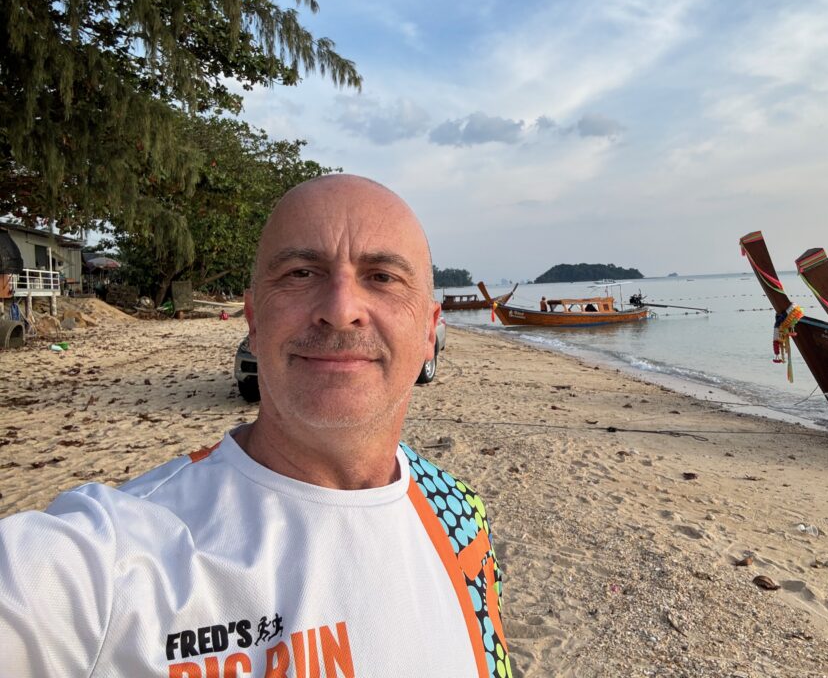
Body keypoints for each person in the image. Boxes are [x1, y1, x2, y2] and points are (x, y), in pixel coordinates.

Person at [0, 175, 512, 678]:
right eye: (300, 274)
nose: (340, 310)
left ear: (429, 330)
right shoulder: (118, 556)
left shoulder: (460, 517)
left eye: (382, 276)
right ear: (253, 316)